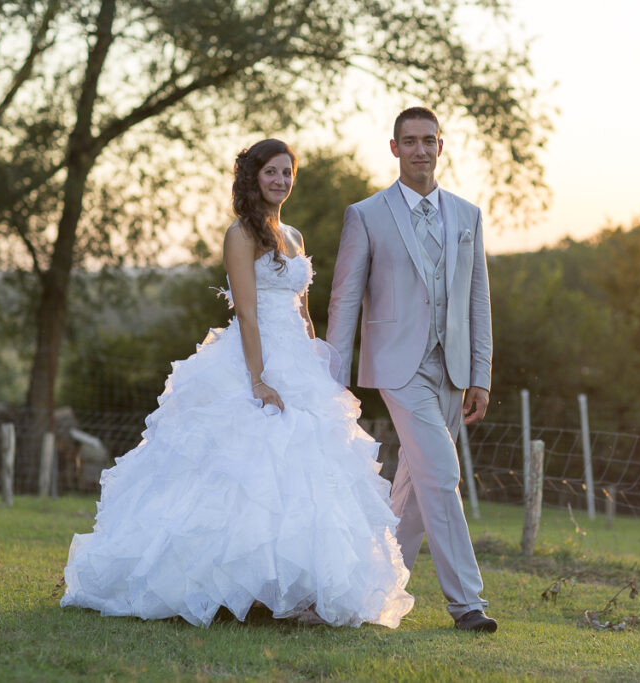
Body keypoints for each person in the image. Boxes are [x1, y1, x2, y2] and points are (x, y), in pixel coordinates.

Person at [60, 139, 413, 629]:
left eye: (287, 172)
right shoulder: (241, 234)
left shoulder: (293, 235)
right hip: (255, 357)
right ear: (253, 177)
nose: (281, 181)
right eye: (271, 172)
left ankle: (298, 590)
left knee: (308, 473)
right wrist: (259, 379)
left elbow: (303, 310)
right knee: (245, 469)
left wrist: (319, 366)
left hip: (297, 359)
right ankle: (227, 587)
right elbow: (247, 313)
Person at [327, 107, 496, 632]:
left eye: (428, 140)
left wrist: (481, 374)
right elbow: (344, 299)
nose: (420, 150)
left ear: (440, 147)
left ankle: (372, 587)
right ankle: (467, 604)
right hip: (398, 366)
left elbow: (478, 299)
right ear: (394, 148)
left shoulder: (467, 215)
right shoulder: (366, 215)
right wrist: (331, 378)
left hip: (454, 368)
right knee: (442, 473)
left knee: (417, 487)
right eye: (410, 141)